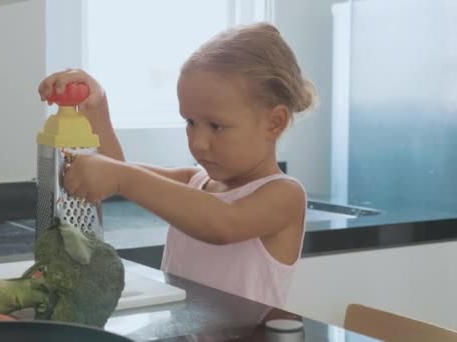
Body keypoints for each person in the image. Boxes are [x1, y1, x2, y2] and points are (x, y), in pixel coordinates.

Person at [38, 22, 316, 308]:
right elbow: (117, 170)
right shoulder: (195, 182)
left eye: (216, 126)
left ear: (274, 122)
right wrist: (97, 106)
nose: (198, 142)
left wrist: (121, 176)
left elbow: (224, 223)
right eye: (190, 122)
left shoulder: (284, 195)